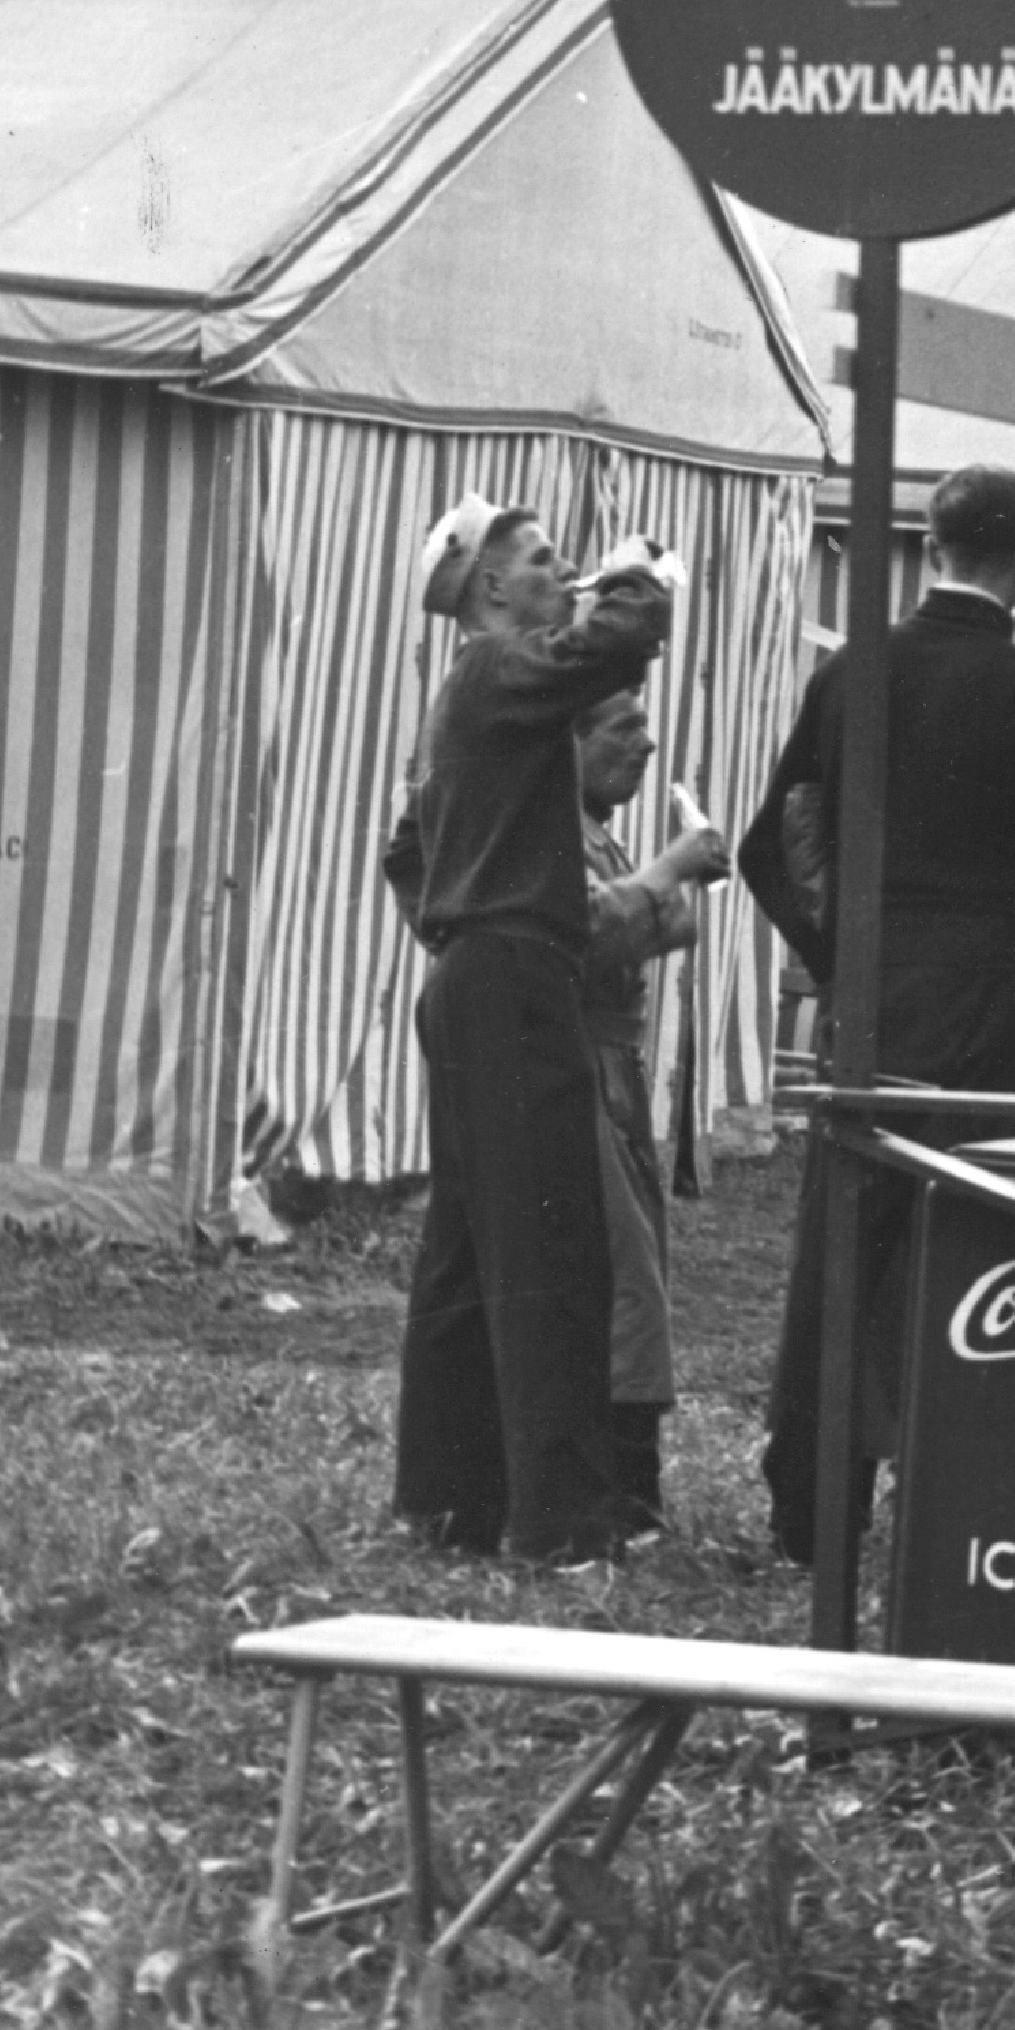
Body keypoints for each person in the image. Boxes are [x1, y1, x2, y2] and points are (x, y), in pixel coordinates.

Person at [742, 461, 1015, 1566]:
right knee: (982, 1246)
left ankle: (812, 1506)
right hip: (986, 999)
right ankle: (966, 1499)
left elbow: (769, 842)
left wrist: (836, 951)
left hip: (872, 992)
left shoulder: (855, 668)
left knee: (840, 1251)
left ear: (928, 540)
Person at [379, 497, 673, 1563]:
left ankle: (449, 1499)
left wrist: (460, 927)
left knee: (466, 1252)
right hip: (513, 980)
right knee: (553, 1245)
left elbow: (406, 852)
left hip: (470, 981)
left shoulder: (466, 699)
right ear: (492, 590)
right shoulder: (502, 673)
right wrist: (635, 573)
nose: (568, 574)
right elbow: (623, 635)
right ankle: (563, 1520)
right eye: (547, 563)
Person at [575, 689, 733, 1530]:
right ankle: (624, 1491)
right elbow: (593, 935)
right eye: (621, 725)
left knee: (638, 1273)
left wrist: (662, 886)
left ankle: (628, 1486)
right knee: (625, 1276)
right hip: (581, 1065)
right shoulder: (557, 831)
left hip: (616, 1067)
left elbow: (661, 929)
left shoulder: (601, 832)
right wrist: (668, 874)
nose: (645, 742)